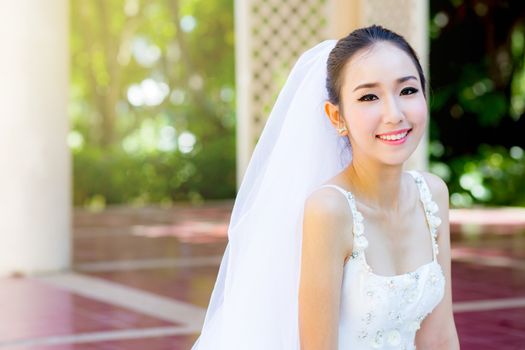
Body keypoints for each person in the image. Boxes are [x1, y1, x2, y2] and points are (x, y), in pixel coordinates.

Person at [191, 25, 460, 350]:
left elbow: (440, 336)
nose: (394, 114)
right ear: (337, 117)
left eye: (407, 91)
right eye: (369, 97)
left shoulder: (432, 194)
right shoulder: (329, 210)